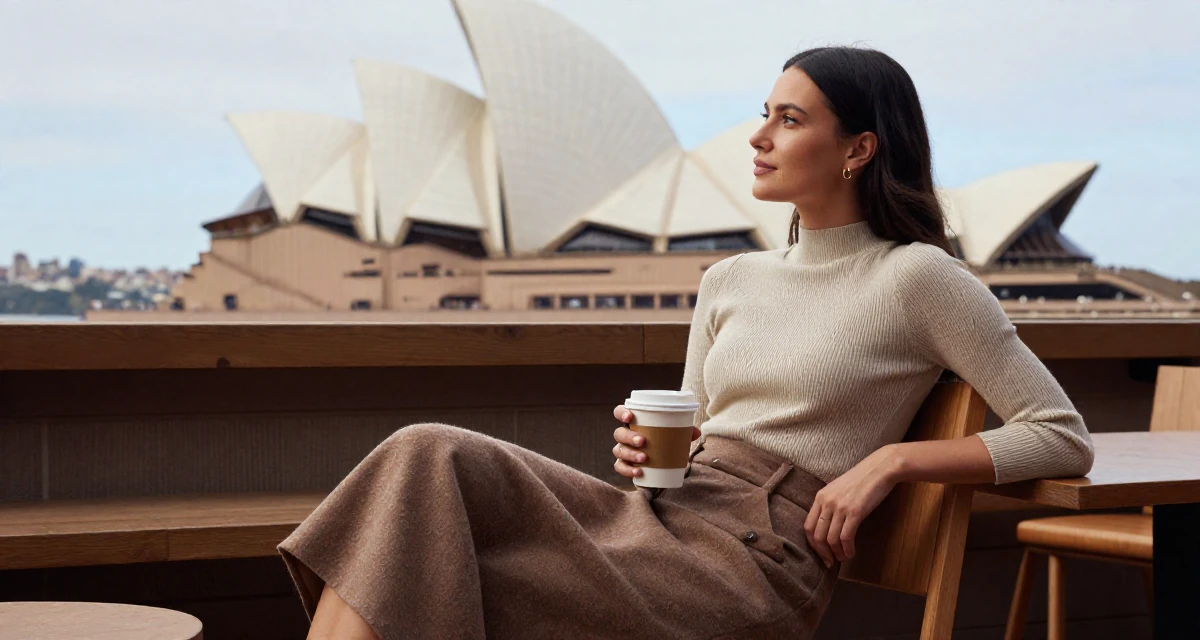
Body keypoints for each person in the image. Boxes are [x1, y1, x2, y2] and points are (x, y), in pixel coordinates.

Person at [279, 46, 1094, 640]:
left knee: (415, 569)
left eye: (789, 119)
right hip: (657, 519)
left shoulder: (918, 279)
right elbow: (692, 433)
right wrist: (644, 453)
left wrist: (890, 462)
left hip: (752, 560)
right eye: (765, 114)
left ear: (858, 149)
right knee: (424, 458)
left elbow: (1059, 435)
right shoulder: (729, 279)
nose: (759, 136)